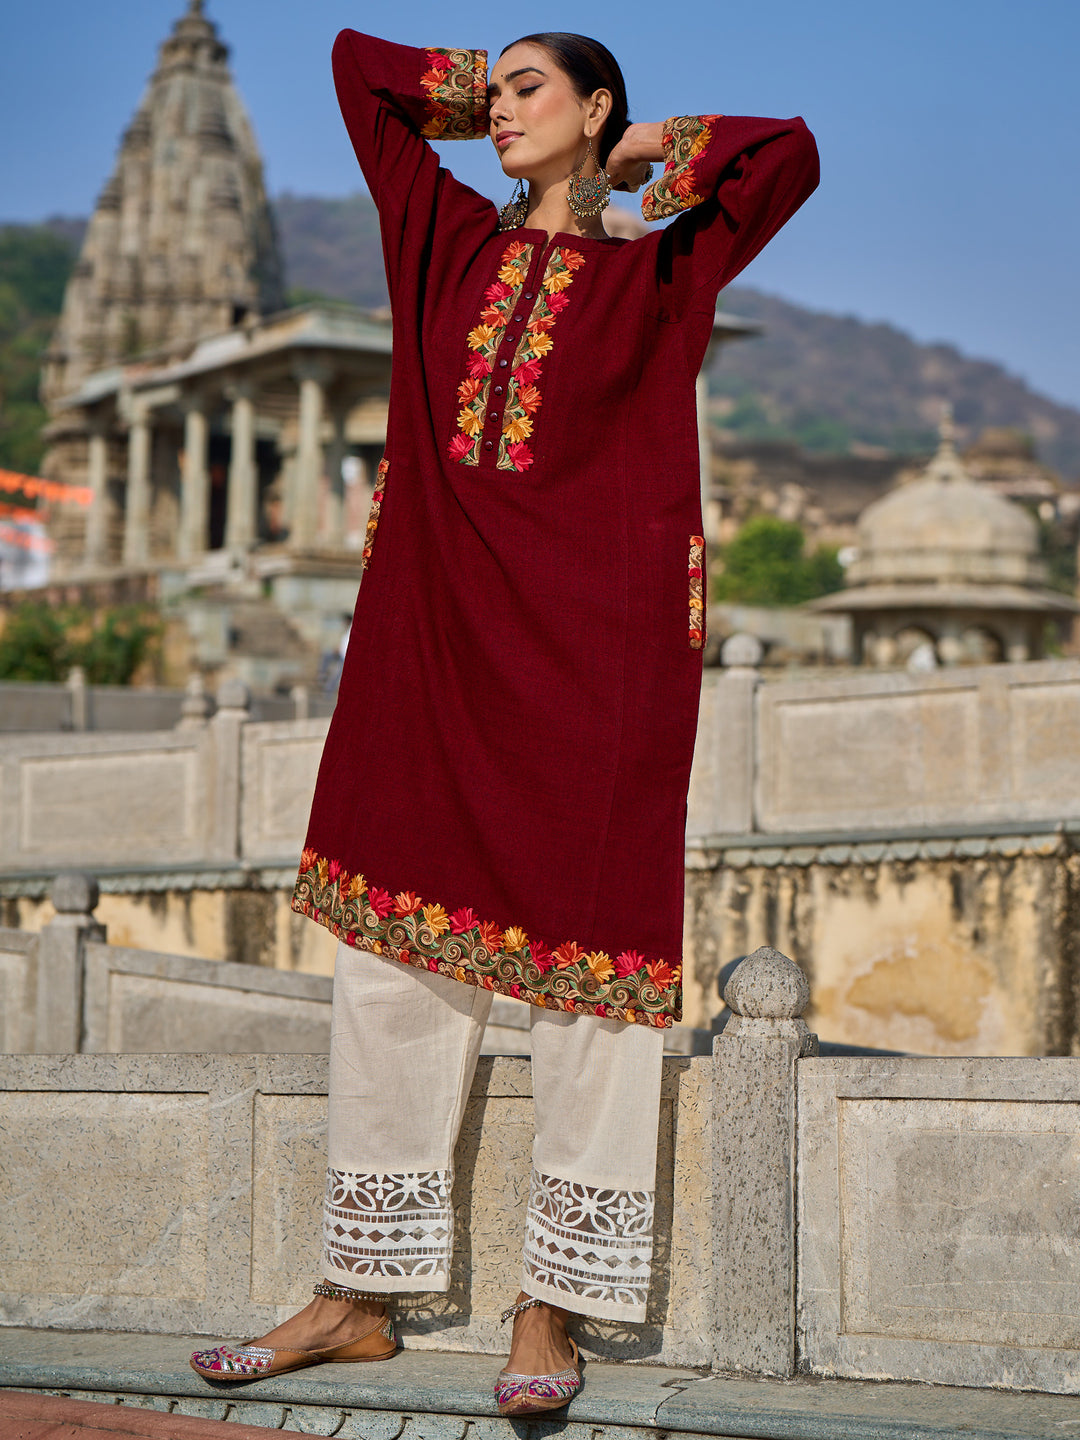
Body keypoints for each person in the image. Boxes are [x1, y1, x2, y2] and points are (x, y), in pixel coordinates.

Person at [191, 28, 818, 1414]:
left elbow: (787, 156)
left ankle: (555, 1309)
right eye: (496, 85)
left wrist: (642, 151)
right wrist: (497, 98)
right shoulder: (443, 245)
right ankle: (357, 1291)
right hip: (433, 640)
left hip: (598, 657)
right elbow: (363, 74)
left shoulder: (663, 269)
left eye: (542, 85)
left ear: (600, 108)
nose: (504, 108)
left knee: (593, 979)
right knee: (388, 965)